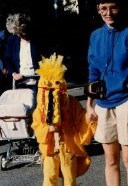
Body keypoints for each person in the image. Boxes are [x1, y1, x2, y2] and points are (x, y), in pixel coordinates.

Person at [86, 0, 128, 186]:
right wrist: (90, 105)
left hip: (127, 102)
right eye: (103, 8)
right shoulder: (95, 36)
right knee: (110, 160)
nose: (108, 13)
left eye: (113, 8)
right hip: (103, 105)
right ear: (98, 9)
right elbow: (93, 70)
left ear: (120, 8)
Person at [31, 54, 96, 186]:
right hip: (50, 149)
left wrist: (89, 119)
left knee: (70, 178)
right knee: (50, 177)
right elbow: (37, 126)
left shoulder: (71, 103)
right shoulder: (40, 109)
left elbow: (80, 117)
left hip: (67, 147)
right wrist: (48, 129)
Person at [3, 13, 41, 93]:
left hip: (37, 81)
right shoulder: (12, 40)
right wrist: (13, 73)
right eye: (20, 34)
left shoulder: (37, 40)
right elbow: (7, 59)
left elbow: (45, 59)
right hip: (19, 82)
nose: (23, 35)